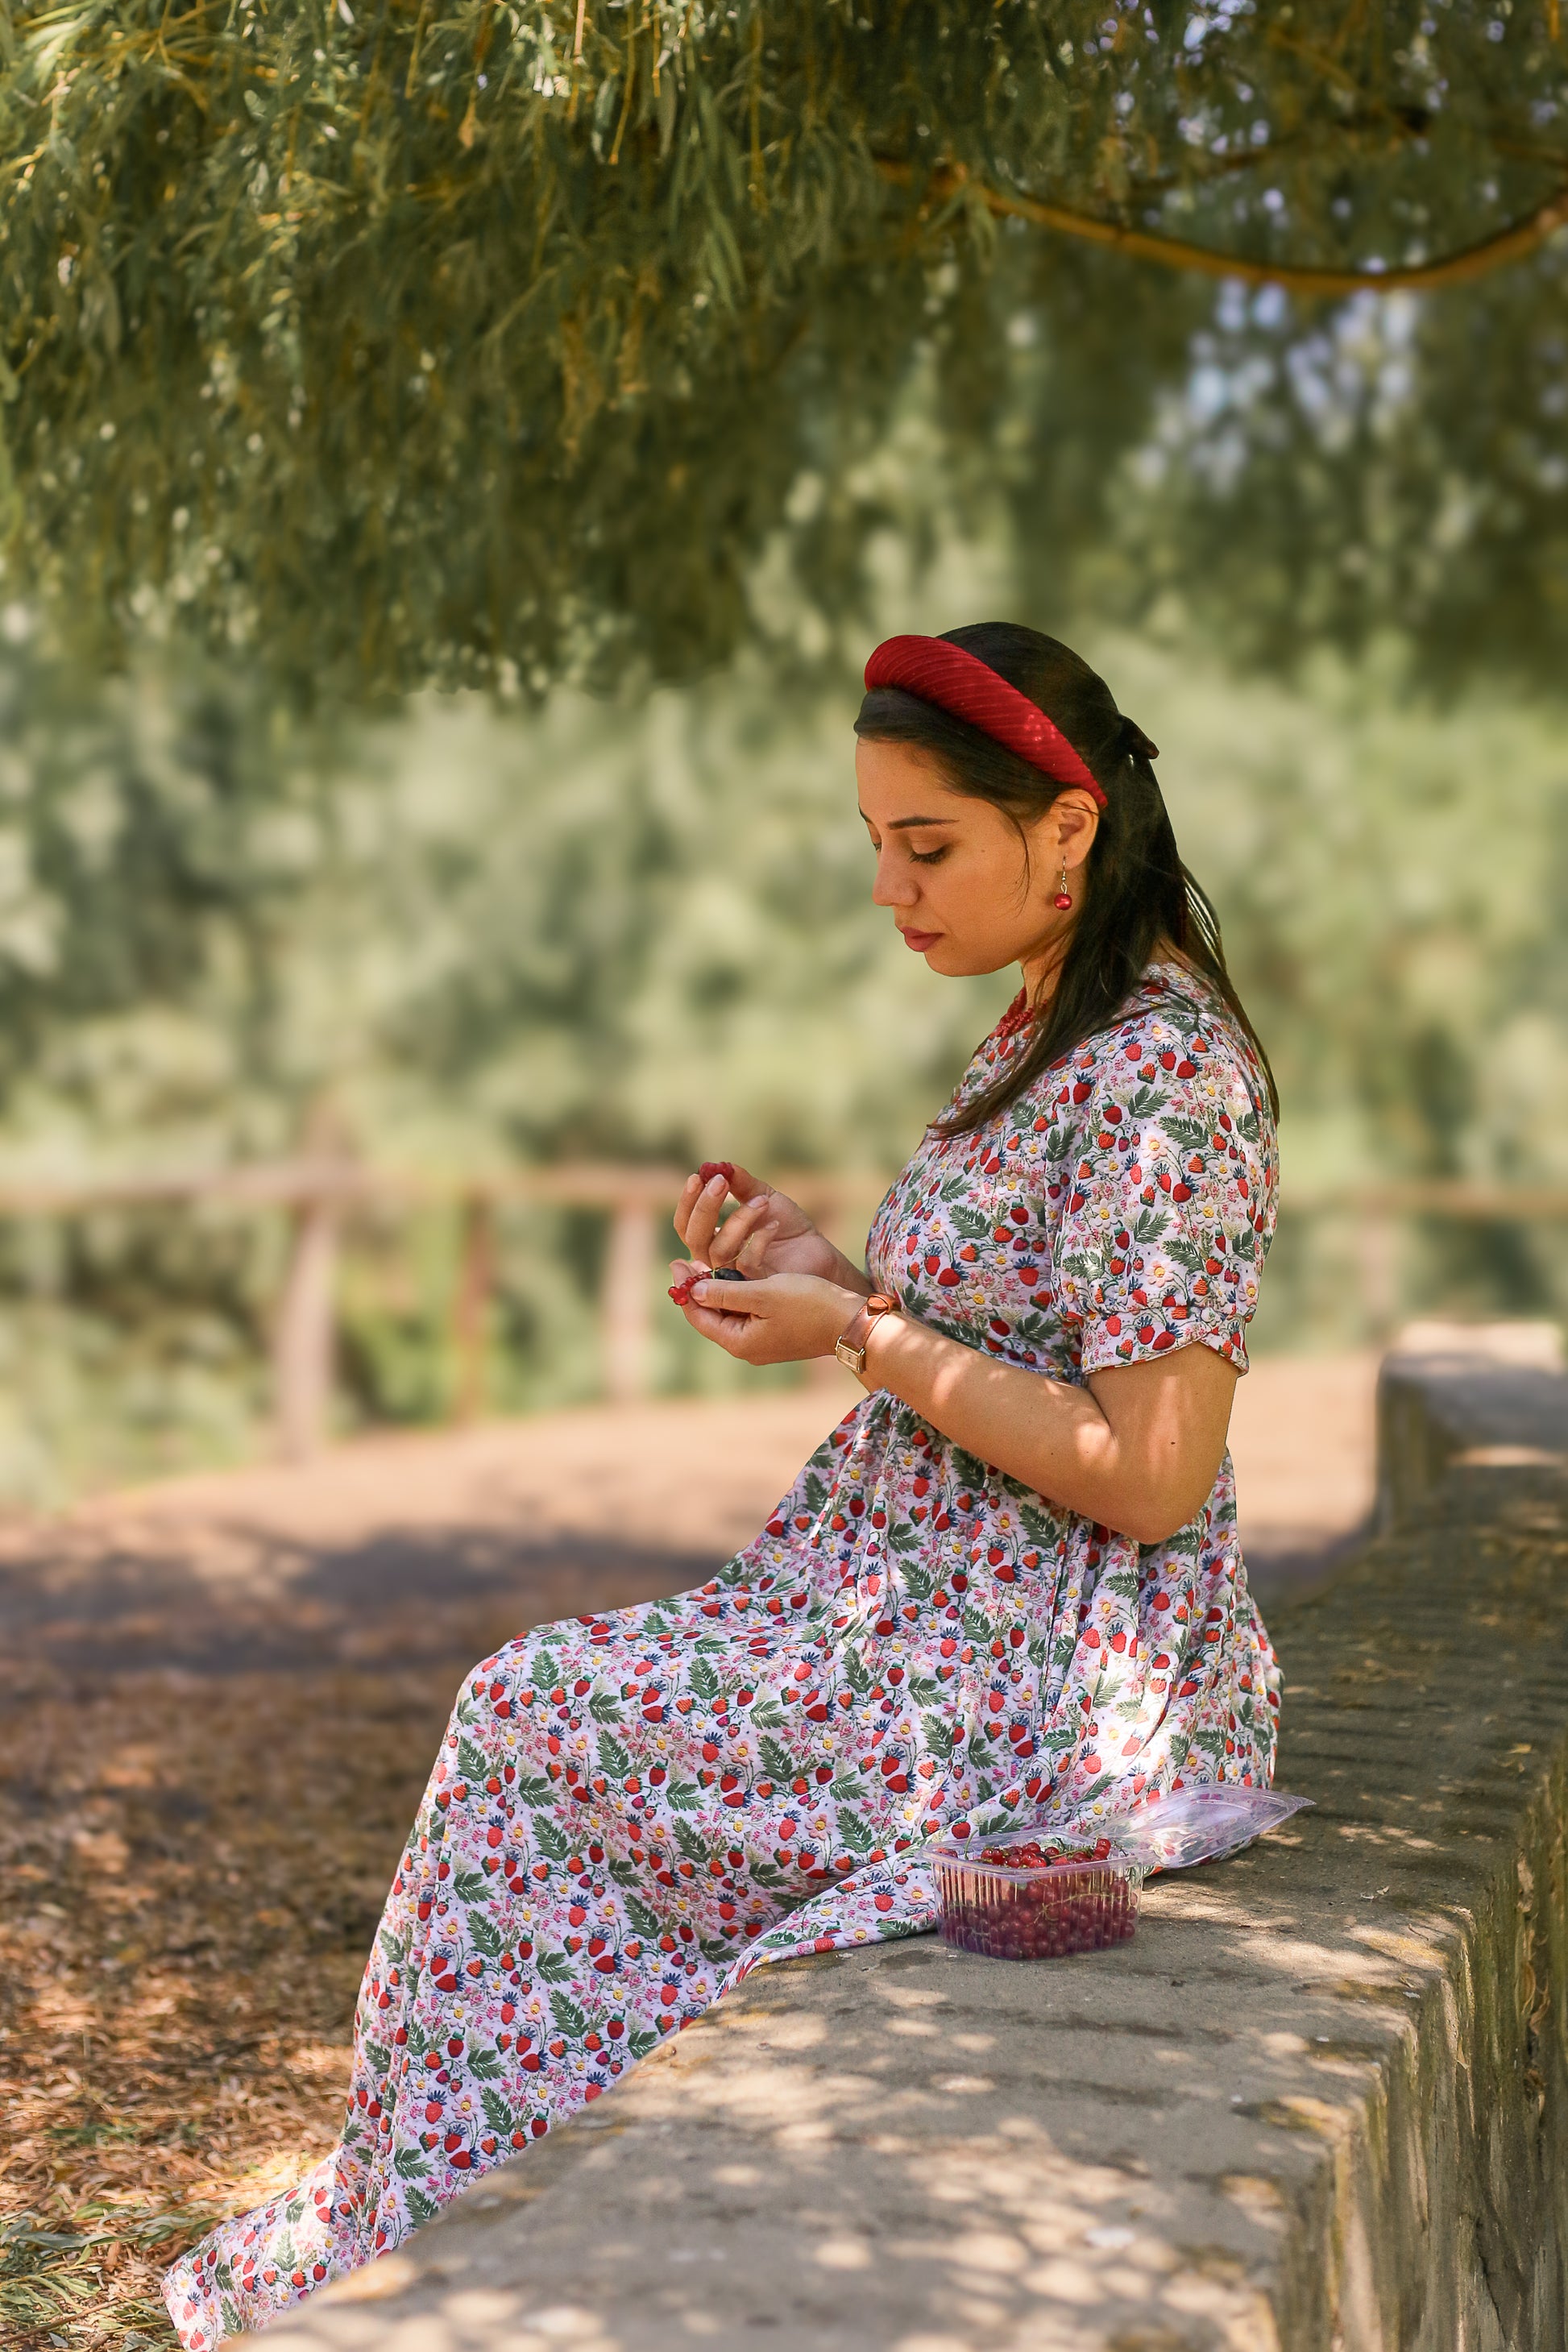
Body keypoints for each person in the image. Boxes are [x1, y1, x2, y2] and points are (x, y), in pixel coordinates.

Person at [165, 624, 1280, 2348]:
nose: (889, 889)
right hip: (918, 1613)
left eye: (928, 847)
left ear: (1066, 826)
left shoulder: (1166, 1075)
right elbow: (1021, 1340)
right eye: (875, 845)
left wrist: (864, 1338)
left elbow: (1148, 1471)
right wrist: (829, 1278)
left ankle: (443, 2256)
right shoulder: (1049, 1026)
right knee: (530, 1717)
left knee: (530, 1718)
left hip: (1041, 1669)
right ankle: (451, 2228)